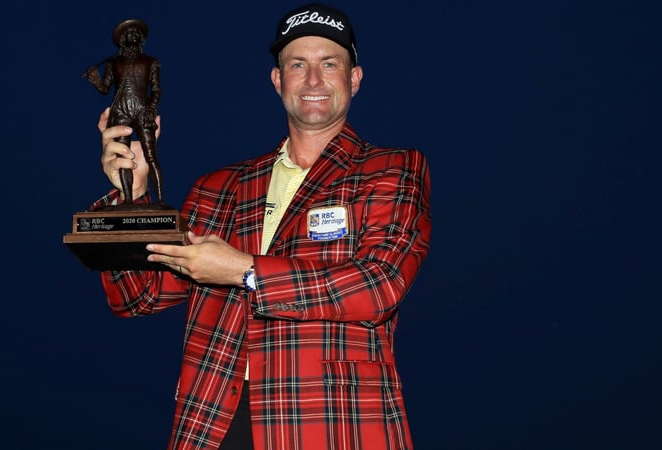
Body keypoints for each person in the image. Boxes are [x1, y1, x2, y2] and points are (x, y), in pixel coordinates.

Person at [90, 3, 431, 449]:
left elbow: (378, 285)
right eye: (297, 65)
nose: (313, 80)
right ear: (278, 81)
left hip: (331, 424)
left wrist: (244, 271)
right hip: (214, 424)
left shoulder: (392, 169)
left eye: (329, 64)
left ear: (354, 79)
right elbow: (137, 296)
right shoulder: (219, 188)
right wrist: (131, 201)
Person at [86, 18, 165, 206]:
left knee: (150, 155)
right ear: (123, 39)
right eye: (129, 32)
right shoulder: (114, 62)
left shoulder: (150, 61)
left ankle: (160, 200)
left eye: (137, 33)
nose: (133, 35)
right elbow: (105, 88)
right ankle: (128, 199)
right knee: (123, 156)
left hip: (142, 109)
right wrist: (95, 79)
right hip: (120, 111)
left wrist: (151, 108)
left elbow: (156, 89)